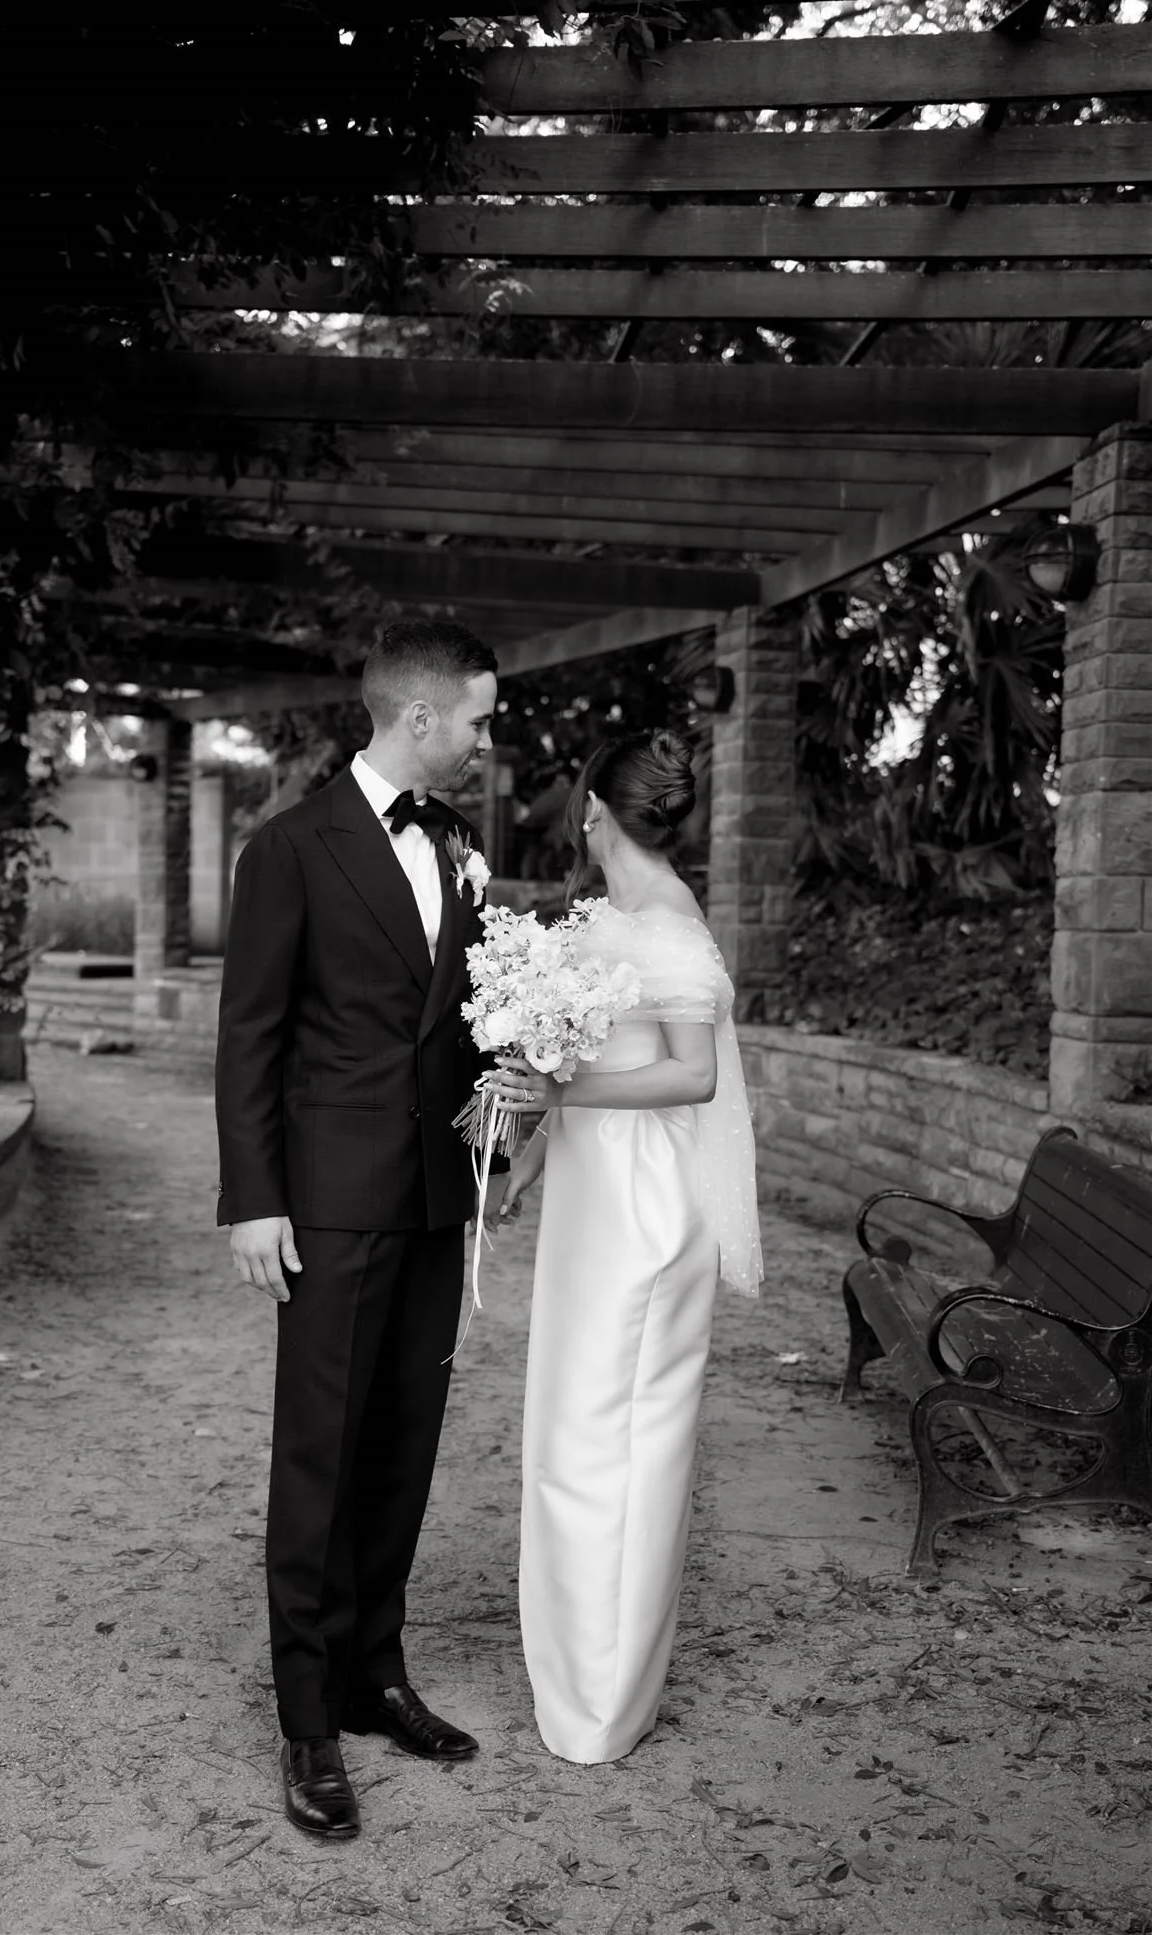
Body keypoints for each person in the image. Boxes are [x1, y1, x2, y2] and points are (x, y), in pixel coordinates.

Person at [216, 618, 502, 1840]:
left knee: (404, 1442)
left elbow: (466, 1019)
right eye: (479, 718)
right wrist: (254, 1195)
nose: (486, 739)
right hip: (328, 1202)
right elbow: (250, 1034)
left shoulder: (461, 845)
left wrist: (504, 1119)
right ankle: (305, 1714)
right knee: (319, 1450)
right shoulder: (290, 848)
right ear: (419, 715)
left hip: (436, 1196)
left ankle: (376, 1671)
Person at [485, 731, 762, 1766]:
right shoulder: (603, 916)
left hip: (645, 1211)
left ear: (593, 810)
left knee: (625, 1443)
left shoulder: (670, 926)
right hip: (591, 1202)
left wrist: (559, 1091)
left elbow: (691, 1074)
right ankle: (572, 1671)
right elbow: (581, 1057)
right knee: (570, 1434)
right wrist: (528, 1159)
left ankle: (603, 1699)